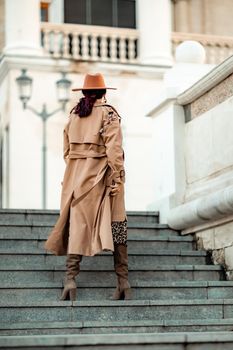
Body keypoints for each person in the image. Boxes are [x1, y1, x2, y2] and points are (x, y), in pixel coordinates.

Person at [44, 73, 132, 301]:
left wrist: (78, 168)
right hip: (103, 177)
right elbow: (114, 150)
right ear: (104, 93)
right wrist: (118, 177)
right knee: (117, 226)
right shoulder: (109, 113)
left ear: (83, 93)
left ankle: (70, 280)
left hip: (75, 179)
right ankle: (123, 282)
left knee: (76, 226)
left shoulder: (74, 115)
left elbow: (66, 150)